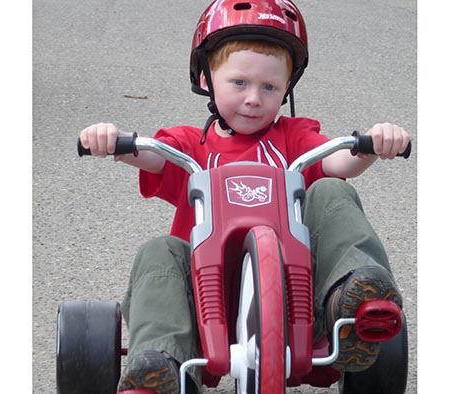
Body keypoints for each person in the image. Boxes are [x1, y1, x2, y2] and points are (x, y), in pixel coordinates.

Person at [79, 1, 410, 393]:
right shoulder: (190, 144)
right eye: (239, 83)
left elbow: (339, 161)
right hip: (200, 299)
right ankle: (158, 363)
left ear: (286, 90)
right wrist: (114, 143)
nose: (254, 98)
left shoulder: (294, 138)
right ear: (206, 78)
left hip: (296, 296)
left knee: (331, 189)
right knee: (160, 251)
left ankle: (351, 299)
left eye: (269, 87)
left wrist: (371, 146)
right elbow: (151, 154)